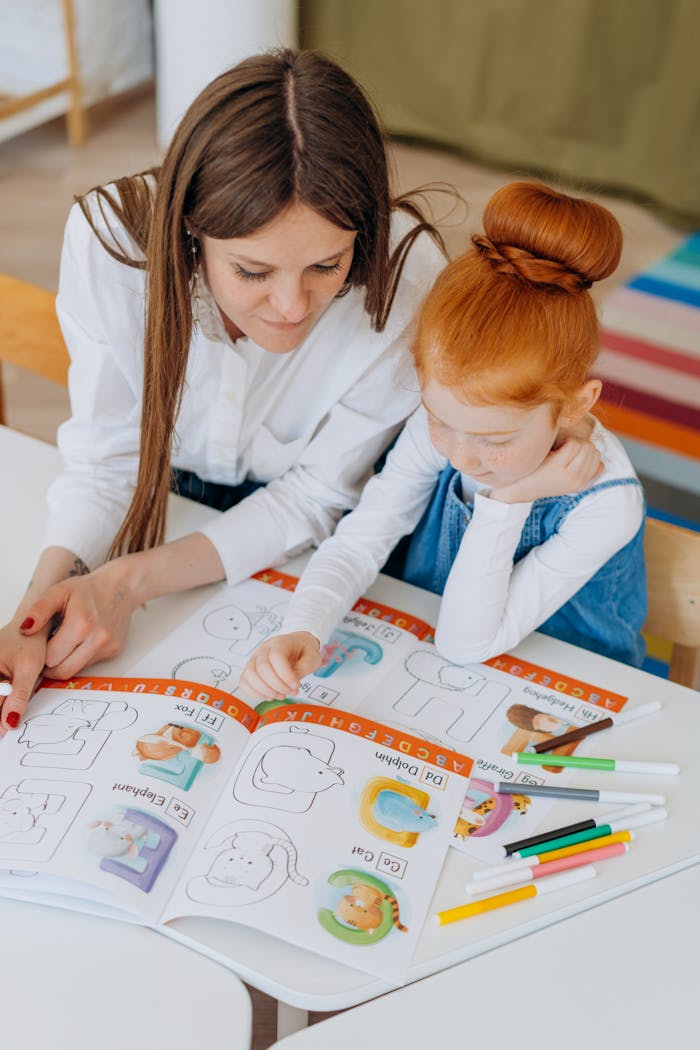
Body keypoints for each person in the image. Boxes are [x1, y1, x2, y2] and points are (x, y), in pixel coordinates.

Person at [0, 48, 447, 733]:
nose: (293, 306)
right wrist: (39, 602)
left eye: (327, 265)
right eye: (252, 271)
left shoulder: (407, 280)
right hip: (162, 495)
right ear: (190, 232)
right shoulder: (112, 244)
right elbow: (105, 461)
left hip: (307, 535)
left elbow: (317, 496)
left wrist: (125, 583)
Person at [239, 181, 647, 702]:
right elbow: (363, 538)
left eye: (493, 439)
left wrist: (511, 499)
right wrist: (304, 626)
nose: (460, 455)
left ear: (575, 405)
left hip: (561, 690)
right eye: (437, 419)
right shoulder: (457, 424)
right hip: (432, 657)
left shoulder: (607, 503)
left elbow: (464, 642)